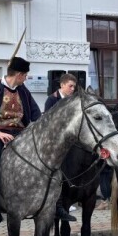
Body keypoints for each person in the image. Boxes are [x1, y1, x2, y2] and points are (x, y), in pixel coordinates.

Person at [0, 55, 41, 231]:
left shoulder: (23, 90)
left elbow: (35, 114)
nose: (26, 78)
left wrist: (37, 129)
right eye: (25, 75)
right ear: (19, 74)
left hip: (20, 133)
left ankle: (49, 203)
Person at [41, 73, 78, 222]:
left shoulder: (73, 100)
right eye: (70, 86)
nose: (72, 89)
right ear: (62, 85)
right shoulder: (52, 100)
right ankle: (58, 204)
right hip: (56, 142)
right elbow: (49, 121)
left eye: (74, 86)